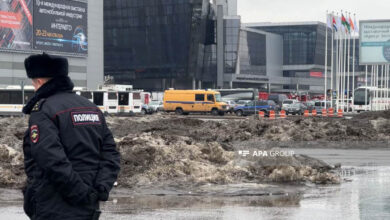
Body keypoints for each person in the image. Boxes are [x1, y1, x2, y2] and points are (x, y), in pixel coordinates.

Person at [22, 53, 120, 220]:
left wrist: (79, 193)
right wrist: (101, 187)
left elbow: (50, 159)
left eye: (33, 84)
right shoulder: (91, 108)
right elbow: (111, 154)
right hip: (89, 204)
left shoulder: (43, 111)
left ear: (38, 81)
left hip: (55, 204)